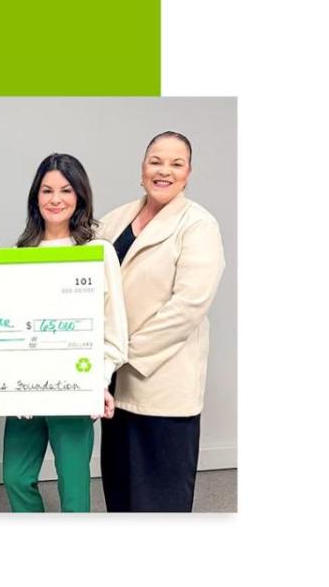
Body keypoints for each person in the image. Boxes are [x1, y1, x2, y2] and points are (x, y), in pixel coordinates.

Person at [97, 132, 225, 512]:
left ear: (188, 173)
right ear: (142, 168)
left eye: (176, 163)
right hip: (117, 389)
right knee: (120, 491)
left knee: (160, 498)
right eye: (156, 161)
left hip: (162, 384)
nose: (164, 171)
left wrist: (121, 354)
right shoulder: (115, 219)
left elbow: (187, 306)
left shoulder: (199, 225)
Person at [1, 153, 128, 512]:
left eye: (65, 190)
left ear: (80, 197)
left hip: (75, 388)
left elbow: (115, 330)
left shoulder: (97, 252)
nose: (55, 199)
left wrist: (98, 382)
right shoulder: (19, 254)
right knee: (15, 477)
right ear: (35, 198)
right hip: (26, 392)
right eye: (47, 190)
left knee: (73, 488)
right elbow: (10, 326)